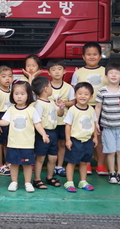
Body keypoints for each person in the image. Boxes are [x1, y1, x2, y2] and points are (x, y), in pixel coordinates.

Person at [0, 80, 49, 193]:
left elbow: (37, 124)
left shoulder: (31, 110)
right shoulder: (11, 109)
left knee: (27, 165)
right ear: (12, 95)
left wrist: (43, 134)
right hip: (13, 143)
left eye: (22, 94)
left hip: (27, 144)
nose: (19, 96)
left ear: (28, 95)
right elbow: (5, 122)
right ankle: (14, 182)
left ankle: (27, 182)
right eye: (16, 94)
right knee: (14, 164)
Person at [70, 42, 107, 176]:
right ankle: (87, 164)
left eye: (95, 54)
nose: (92, 57)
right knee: (86, 136)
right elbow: (73, 92)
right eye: (88, 54)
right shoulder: (78, 72)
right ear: (83, 57)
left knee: (99, 136)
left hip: (101, 108)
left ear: (100, 56)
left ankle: (101, 164)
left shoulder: (106, 71)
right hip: (83, 108)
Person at [63, 82, 98, 192]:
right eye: (80, 93)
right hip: (75, 140)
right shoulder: (72, 110)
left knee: (84, 162)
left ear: (91, 97)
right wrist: (68, 140)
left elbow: (94, 124)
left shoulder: (91, 109)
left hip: (87, 140)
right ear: (75, 95)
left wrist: (95, 137)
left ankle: (83, 181)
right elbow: (68, 126)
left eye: (86, 94)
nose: (83, 96)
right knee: (72, 162)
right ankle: (69, 182)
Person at [32, 76, 64, 189]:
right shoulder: (39, 104)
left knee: (53, 157)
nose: (51, 88)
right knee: (40, 158)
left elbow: (59, 114)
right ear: (46, 89)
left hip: (53, 132)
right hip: (43, 133)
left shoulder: (51, 101)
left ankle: (49, 177)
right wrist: (43, 134)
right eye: (50, 86)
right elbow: (37, 121)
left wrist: (61, 107)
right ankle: (37, 179)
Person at [46, 58, 75, 177]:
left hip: (63, 121)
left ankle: (59, 166)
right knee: (50, 144)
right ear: (49, 72)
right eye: (53, 69)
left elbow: (73, 102)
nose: (57, 72)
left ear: (64, 71)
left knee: (62, 144)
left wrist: (64, 103)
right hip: (49, 122)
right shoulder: (46, 87)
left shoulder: (69, 87)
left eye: (59, 69)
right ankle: (51, 166)